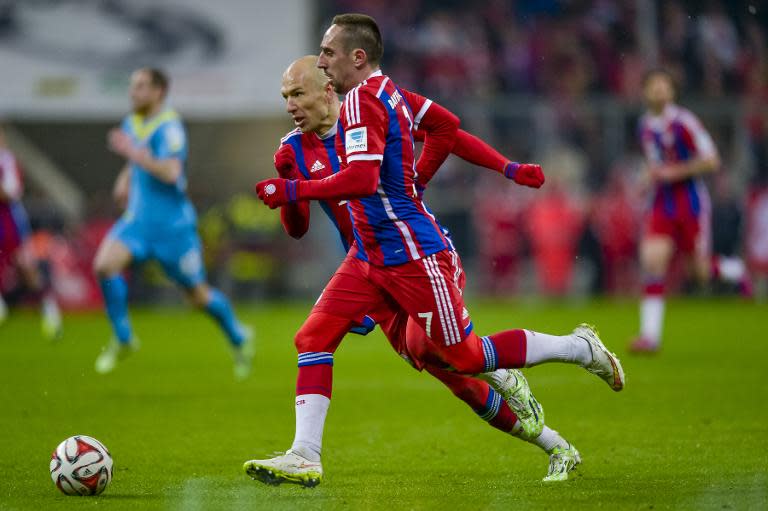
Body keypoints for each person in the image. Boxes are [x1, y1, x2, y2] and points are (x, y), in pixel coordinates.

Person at [248, 14, 624, 487]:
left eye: (298, 92)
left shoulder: (366, 104)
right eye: (286, 96)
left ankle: (575, 349)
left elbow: (395, 161)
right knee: (316, 339)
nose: (292, 103)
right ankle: (305, 454)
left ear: (331, 89)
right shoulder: (303, 142)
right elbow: (299, 226)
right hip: (366, 258)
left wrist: (302, 189)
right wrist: (290, 187)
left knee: (458, 360)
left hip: (412, 253)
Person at [93, 68, 253, 379]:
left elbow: (169, 173)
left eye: (140, 86)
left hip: (172, 230)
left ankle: (238, 336)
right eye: (132, 86)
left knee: (197, 296)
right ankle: (124, 338)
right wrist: (124, 179)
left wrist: (131, 153)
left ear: (158, 91)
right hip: (138, 221)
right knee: (104, 265)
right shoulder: (133, 122)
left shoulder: (170, 128)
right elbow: (135, 161)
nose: (133, 92)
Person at [630, 69, 751, 353]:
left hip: (690, 204)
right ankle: (650, 337)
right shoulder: (644, 125)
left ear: (671, 92)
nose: (658, 91)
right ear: (645, 92)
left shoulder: (684, 122)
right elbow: (654, 163)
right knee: (652, 261)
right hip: (662, 202)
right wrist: (647, 179)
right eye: (653, 86)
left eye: (663, 86)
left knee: (699, 273)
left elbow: (711, 160)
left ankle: (736, 270)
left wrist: (676, 172)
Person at [0, 124, 62, 339]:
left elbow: (12, 192)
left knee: (25, 267)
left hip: (8, 220)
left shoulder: (7, 160)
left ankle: (49, 309)